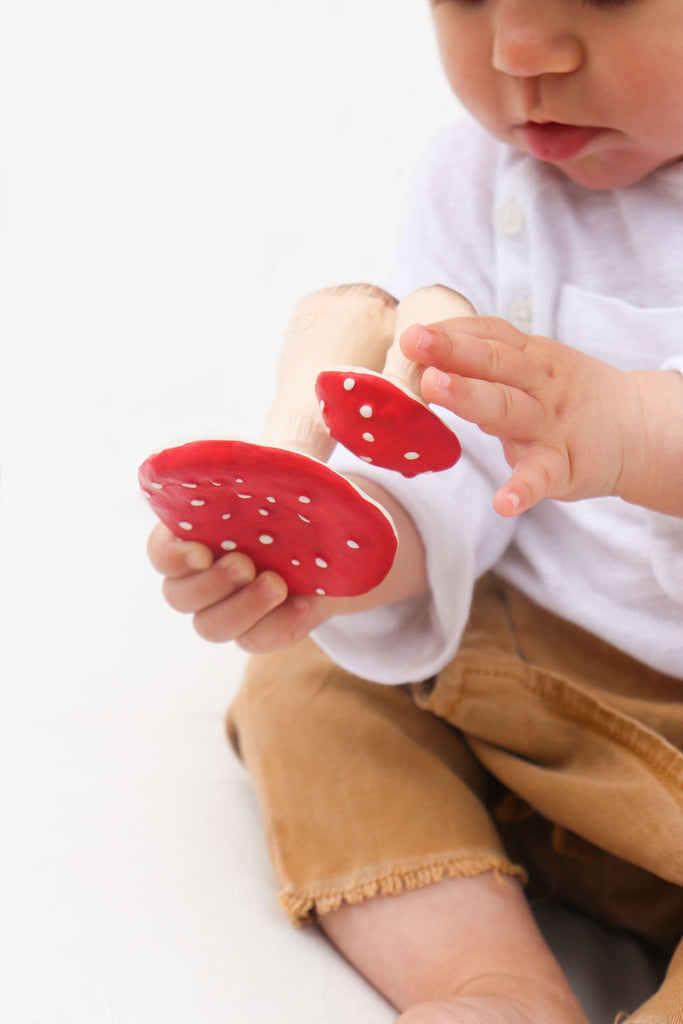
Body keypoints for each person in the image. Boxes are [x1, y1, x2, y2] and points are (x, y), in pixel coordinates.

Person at [147, 2, 683, 1022]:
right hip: (526, 689)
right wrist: (335, 546)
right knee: (302, 688)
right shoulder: (478, 179)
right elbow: (448, 460)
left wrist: (630, 428)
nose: (515, 50)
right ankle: (483, 983)